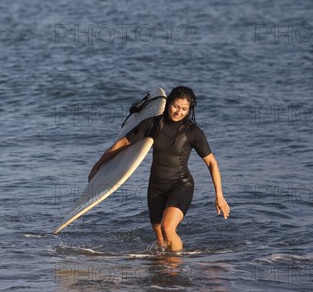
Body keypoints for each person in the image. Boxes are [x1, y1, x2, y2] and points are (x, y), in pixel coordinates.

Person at [88, 86, 231, 252]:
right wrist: (98, 166)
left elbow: (211, 162)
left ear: (189, 110)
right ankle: (164, 272)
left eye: (184, 109)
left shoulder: (193, 133)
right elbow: (122, 144)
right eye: (176, 106)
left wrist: (219, 196)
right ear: (168, 102)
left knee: (168, 229)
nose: (179, 112)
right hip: (156, 186)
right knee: (161, 239)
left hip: (181, 185)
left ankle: (177, 268)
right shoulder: (153, 124)